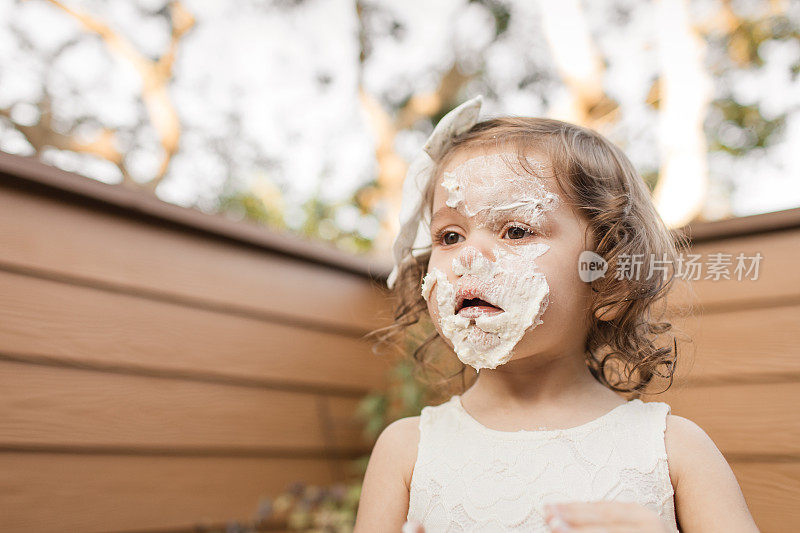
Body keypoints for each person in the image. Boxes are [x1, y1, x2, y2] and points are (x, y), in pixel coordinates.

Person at [354, 96, 758, 532]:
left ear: (609, 280)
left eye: (517, 230)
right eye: (450, 236)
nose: (468, 256)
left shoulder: (674, 451)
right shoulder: (406, 452)